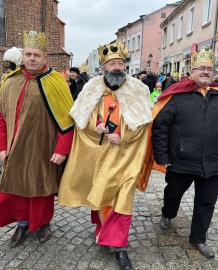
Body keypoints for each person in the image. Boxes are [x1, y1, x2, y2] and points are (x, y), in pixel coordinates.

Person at [58, 40, 152, 270]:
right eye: (112, 64)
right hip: (100, 153)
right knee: (102, 194)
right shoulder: (92, 89)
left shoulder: (138, 89)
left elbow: (142, 123)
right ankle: (103, 231)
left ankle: (120, 247)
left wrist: (123, 136)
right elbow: (82, 119)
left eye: (120, 63)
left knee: (122, 198)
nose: (117, 67)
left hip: (126, 154)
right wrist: (95, 125)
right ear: (103, 68)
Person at [151, 48, 218, 259]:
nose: (206, 72)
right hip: (181, 160)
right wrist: (162, 158)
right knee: (173, 193)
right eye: (201, 68)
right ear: (192, 71)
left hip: (212, 161)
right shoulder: (176, 95)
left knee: (206, 202)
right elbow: (160, 127)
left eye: (209, 68)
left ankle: (198, 238)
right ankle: (168, 213)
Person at [0, 30, 74, 248]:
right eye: (28, 54)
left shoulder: (56, 82)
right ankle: (22, 223)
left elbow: (67, 119)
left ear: (45, 58)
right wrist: (1, 145)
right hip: (15, 146)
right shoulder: (10, 81)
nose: (32, 59)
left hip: (44, 146)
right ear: (23, 56)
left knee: (42, 187)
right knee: (16, 186)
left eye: (37, 55)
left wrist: (62, 148)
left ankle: (43, 222)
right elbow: (0, 115)